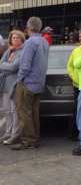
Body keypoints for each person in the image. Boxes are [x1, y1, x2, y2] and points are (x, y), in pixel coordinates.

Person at [11, 17, 49, 150]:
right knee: (34, 112)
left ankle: (28, 140)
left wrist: (19, 79)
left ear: (28, 27)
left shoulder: (30, 42)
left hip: (28, 83)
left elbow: (25, 65)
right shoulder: (44, 41)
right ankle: (34, 138)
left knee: (24, 113)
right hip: (39, 82)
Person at [0, 30, 24, 144]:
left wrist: (4, 66)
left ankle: (15, 134)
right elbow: (1, 63)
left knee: (14, 111)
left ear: (22, 39)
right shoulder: (8, 50)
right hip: (5, 84)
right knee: (6, 110)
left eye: (17, 38)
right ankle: (7, 132)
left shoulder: (22, 51)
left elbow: (14, 67)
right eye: (13, 38)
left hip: (14, 84)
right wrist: (5, 66)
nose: (15, 39)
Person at [66, 28, 81, 140]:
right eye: (80, 37)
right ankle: (74, 133)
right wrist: (72, 75)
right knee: (77, 110)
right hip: (77, 85)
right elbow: (70, 65)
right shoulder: (75, 51)